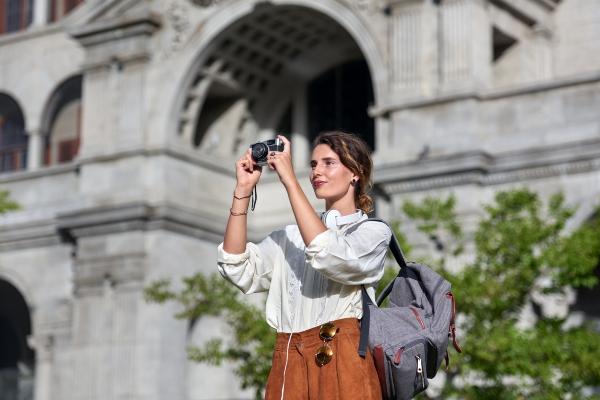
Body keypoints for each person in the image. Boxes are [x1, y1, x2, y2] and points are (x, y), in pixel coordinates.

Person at [217, 131, 391, 400]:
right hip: (289, 362)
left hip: (342, 360)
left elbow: (329, 254)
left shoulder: (371, 232)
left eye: (328, 163)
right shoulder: (290, 237)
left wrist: (289, 180)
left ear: (355, 173)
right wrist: (242, 190)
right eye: (312, 165)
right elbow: (236, 266)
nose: (316, 172)